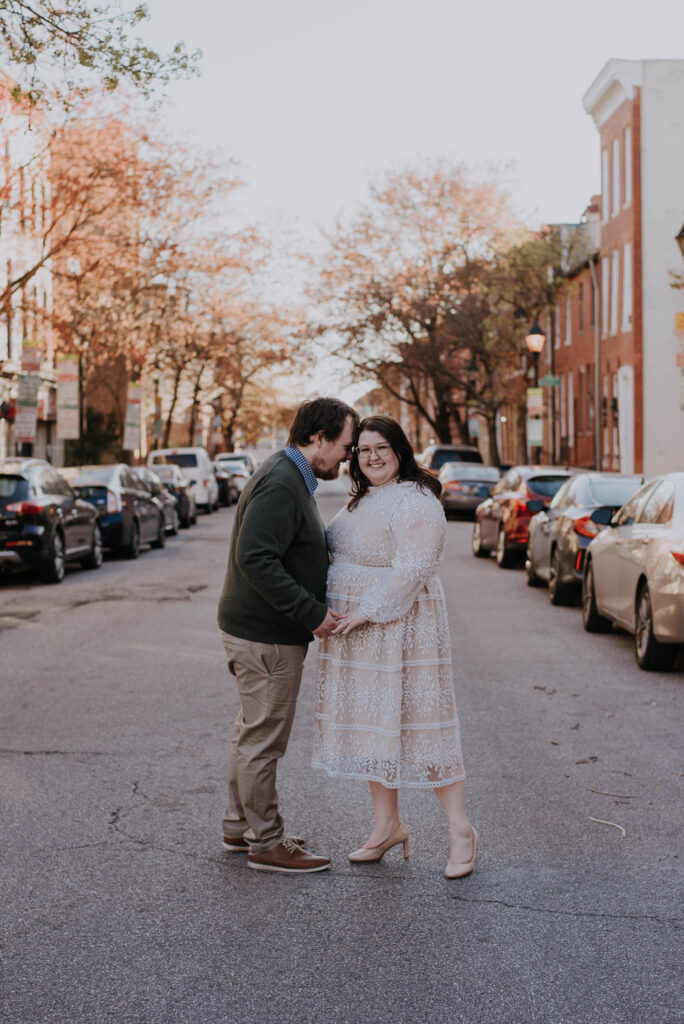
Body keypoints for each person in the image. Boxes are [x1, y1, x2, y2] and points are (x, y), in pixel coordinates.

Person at [312, 415, 476, 878]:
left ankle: (461, 831)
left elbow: (414, 567)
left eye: (381, 447)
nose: (372, 457)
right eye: (363, 451)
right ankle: (387, 826)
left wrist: (366, 609)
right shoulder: (362, 498)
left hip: (403, 627)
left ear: (400, 449)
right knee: (374, 727)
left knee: (426, 727)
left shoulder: (416, 499)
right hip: (358, 635)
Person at [218, 397, 358, 873]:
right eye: (344, 445)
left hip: (259, 632)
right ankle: (267, 843)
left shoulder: (289, 473)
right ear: (318, 438)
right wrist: (312, 613)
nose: (347, 455)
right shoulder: (282, 481)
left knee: (250, 733)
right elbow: (255, 558)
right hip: (268, 637)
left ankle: (242, 827)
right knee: (263, 741)